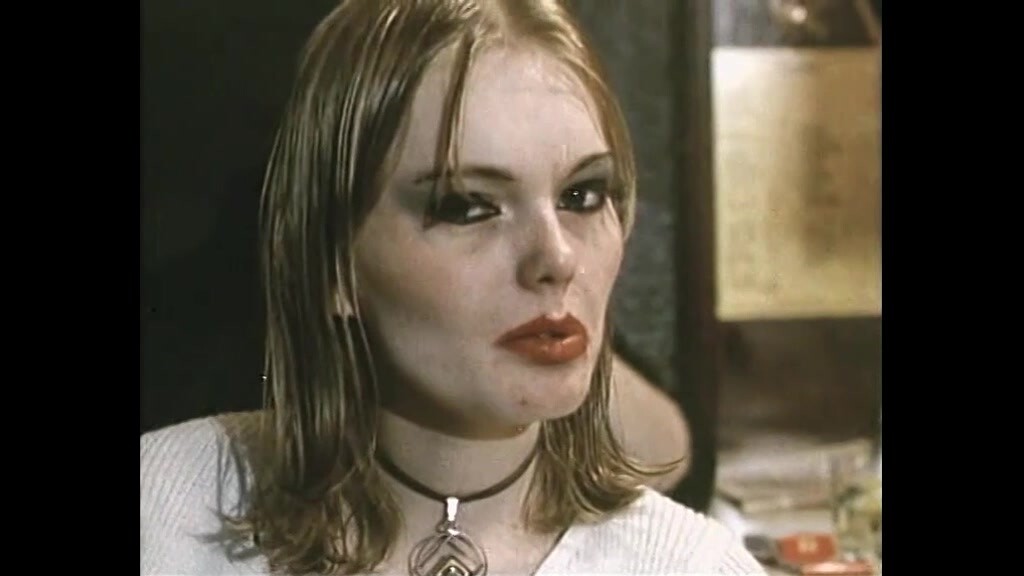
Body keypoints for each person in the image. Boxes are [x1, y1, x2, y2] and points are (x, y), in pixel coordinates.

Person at [140, 0, 764, 574]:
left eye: (582, 195)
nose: (558, 256)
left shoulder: (691, 565)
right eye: (468, 206)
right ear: (333, 264)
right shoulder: (166, 510)